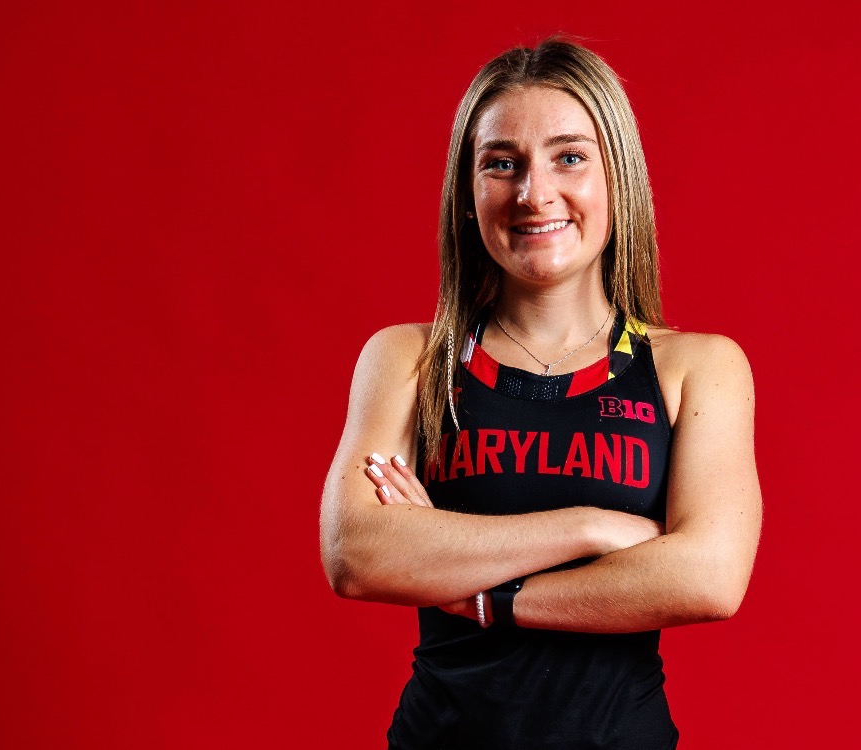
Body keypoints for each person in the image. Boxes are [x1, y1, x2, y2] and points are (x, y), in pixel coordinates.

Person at [320, 38, 762, 749]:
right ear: (468, 192)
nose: (533, 192)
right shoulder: (410, 359)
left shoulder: (695, 367)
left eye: (569, 156)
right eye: (501, 163)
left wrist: (477, 593)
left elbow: (706, 576)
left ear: (617, 177)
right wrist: (588, 526)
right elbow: (356, 553)